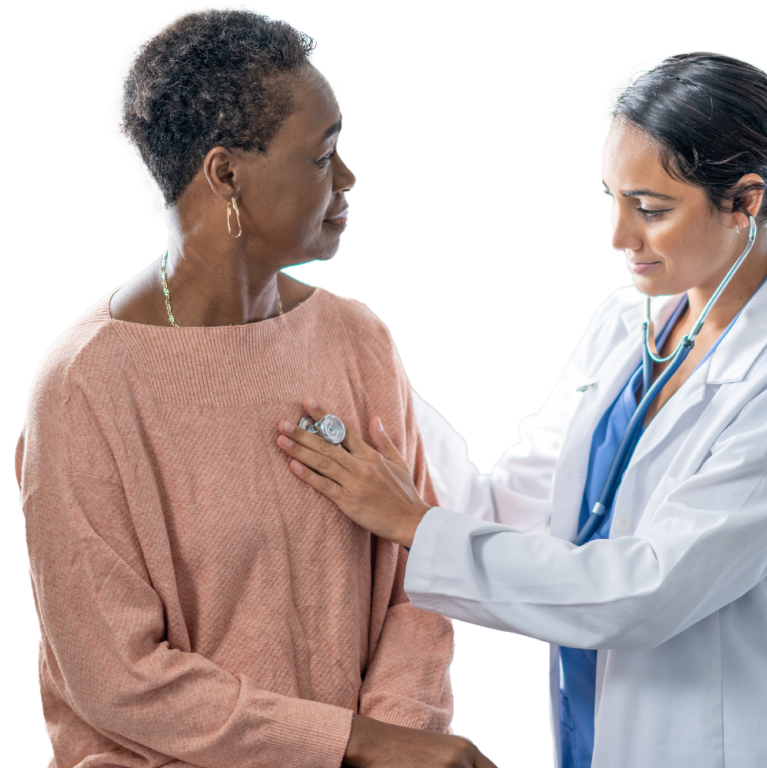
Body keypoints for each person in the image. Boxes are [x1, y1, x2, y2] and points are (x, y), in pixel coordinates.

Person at [274, 51, 767, 767]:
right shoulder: (625, 322)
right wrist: (366, 369)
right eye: (612, 199)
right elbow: (506, 508)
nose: (619, 236)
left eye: (651, 209)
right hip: (595, 723)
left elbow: (646, 592)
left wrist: (412, 525)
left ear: (744, 202)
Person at [15, 7, 498, 768]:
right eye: (322, 155)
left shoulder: (354, 337)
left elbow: (415, 579)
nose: (347, 177)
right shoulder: (86, 386)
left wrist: (398, 738)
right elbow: (117, 678)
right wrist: (354, 745)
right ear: (226, 175)